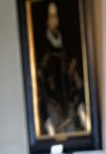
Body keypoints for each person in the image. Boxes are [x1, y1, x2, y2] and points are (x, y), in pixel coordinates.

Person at [36, 1, 88, 137]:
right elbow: (40, 88)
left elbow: (76, 81)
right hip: (53, 111)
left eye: (56, 16)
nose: (54, 20)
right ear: (46, 20)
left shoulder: (66, 51)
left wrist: (81, 109)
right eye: (51, 16)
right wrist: (46, 121)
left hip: (71, 110)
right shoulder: (42, 54)